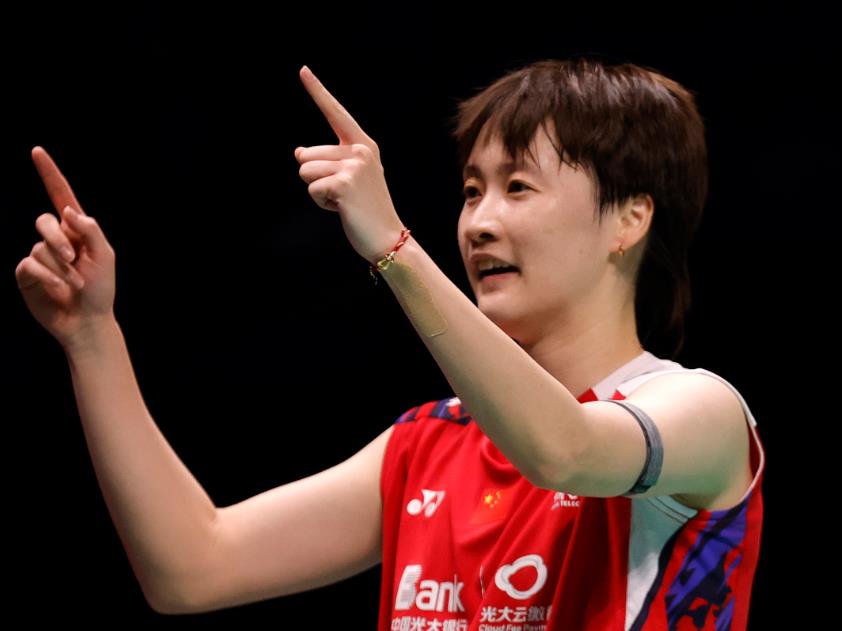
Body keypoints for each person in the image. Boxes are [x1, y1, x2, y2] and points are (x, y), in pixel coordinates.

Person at [15, 57, 763, 630]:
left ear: (630, 219)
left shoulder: (702, 413)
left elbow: (565, 450)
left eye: (517, 187)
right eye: (470, 191)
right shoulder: (426, 446)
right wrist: (92, 337)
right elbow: (191, 567)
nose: (479, 223)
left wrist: (392, 247)